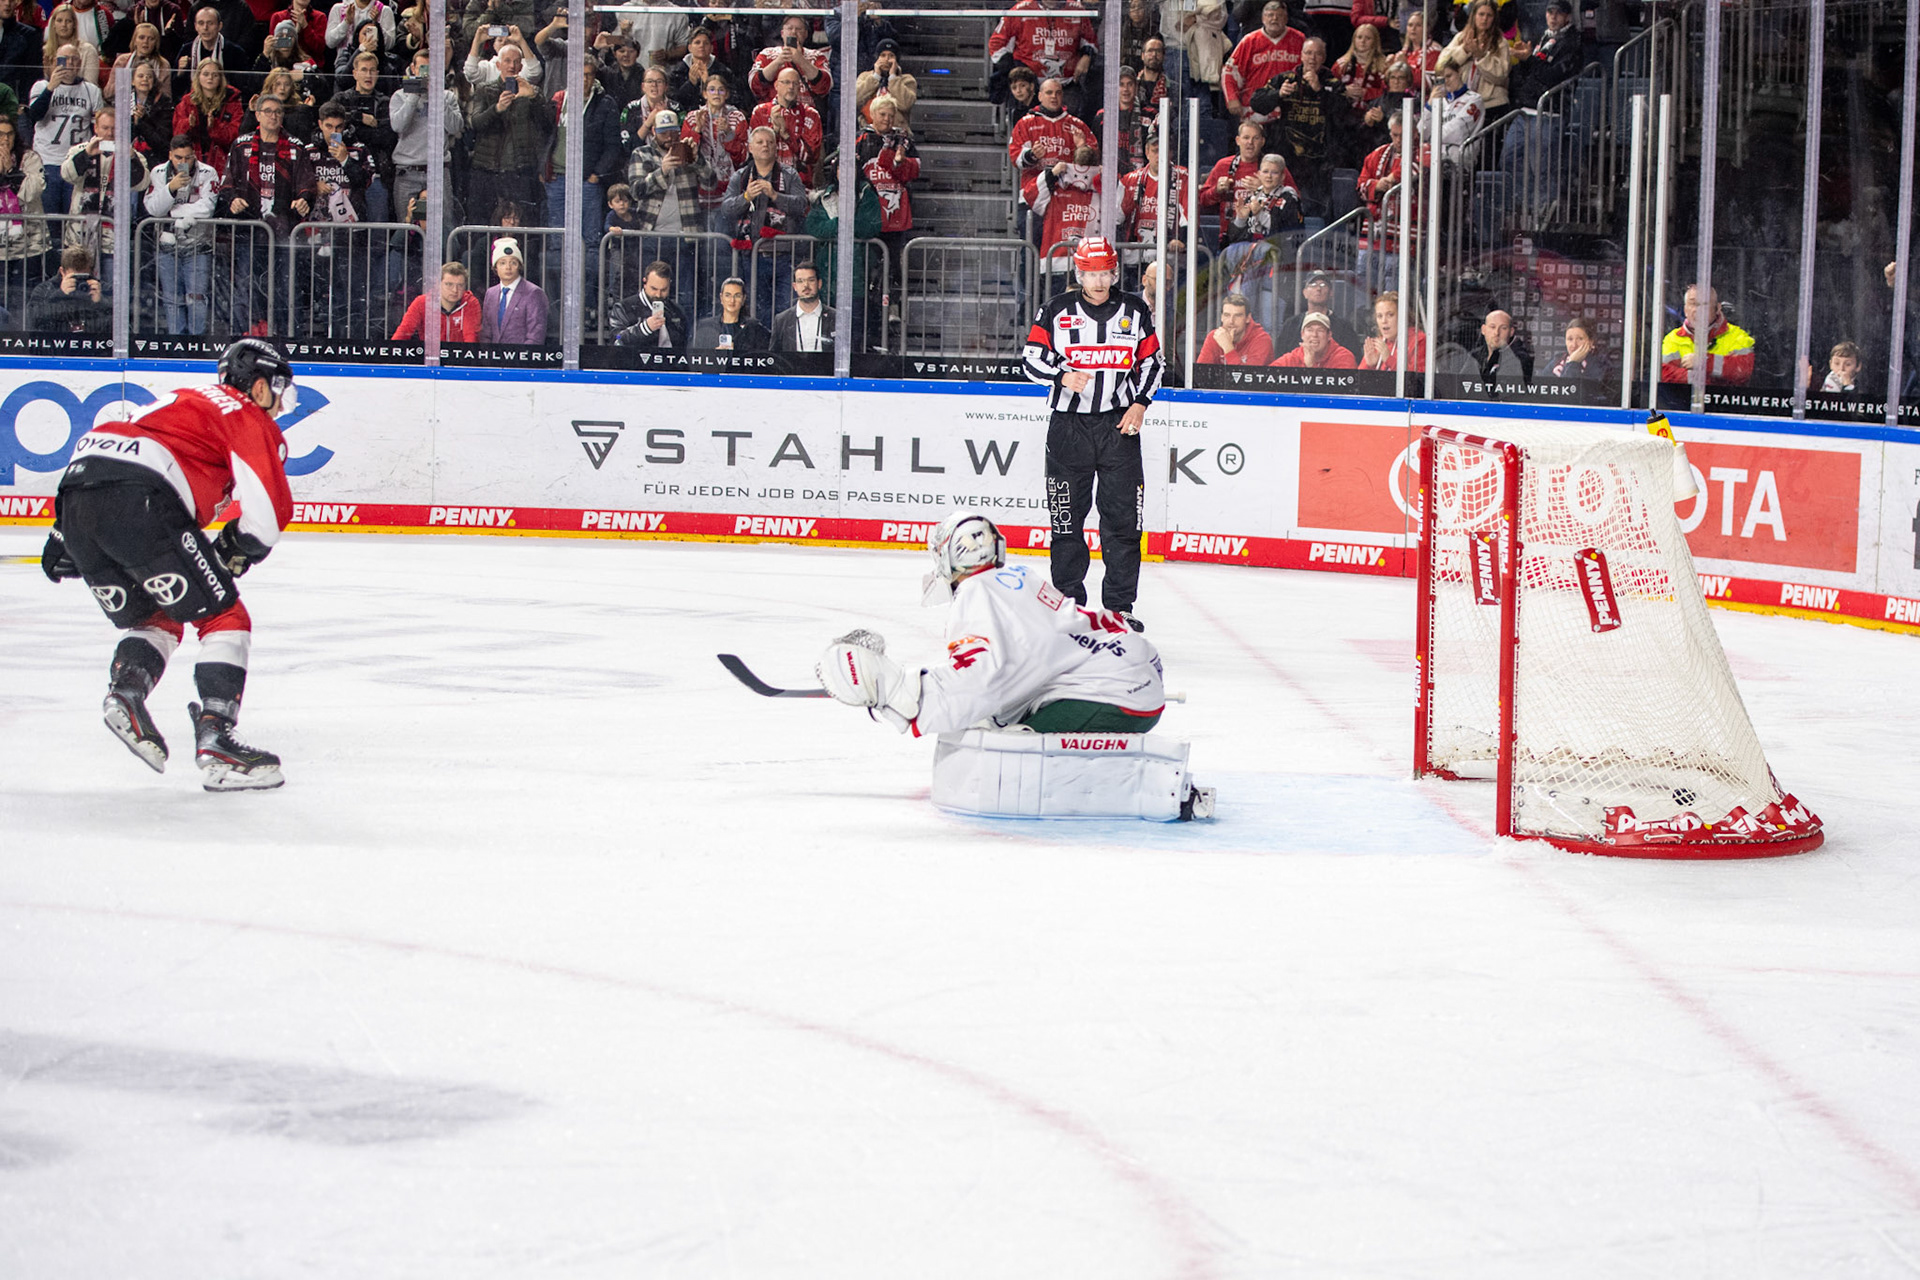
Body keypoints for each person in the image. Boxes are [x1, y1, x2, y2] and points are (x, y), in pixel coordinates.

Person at [39, 338, 296, 789]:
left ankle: (126, 693)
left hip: (77, 500)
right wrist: (236, 546)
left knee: (156, 617)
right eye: (277, 390)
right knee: (224, 617)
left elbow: (110, 454)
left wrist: (64, 533)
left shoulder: (181, 399)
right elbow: (269, 517)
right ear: (259, 387)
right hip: (141, 500)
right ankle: (217, 739)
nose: (278, 405)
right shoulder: (244, 413)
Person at [816, 510, 1167, 737]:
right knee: (995, 720)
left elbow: (983, 676)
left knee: (1000, 747)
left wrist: (903, 696)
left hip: (1109, 700)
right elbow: (1032, 656)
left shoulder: (975, 593)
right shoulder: (1019, 577)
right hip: (1139, 681)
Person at [1020, 237, 1161, 629]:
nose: (1099, 281)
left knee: (1124, 524)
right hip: (1068, 428)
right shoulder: (1055, 310)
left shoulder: (1134, 310)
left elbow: (1153, 362)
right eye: (1091, 273)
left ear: (1115, 273)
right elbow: (1030, 360)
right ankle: (1068, 607)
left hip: (1119, 428)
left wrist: (1140, 403)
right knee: (1066, 522)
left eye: (1105, 273)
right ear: (1078, 273)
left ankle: (1119, 609)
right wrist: (1061, 375)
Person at [466, 48, 552, 226]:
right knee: (483, 222)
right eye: (507, 61)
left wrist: (533, 97)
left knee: (522, 222)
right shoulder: (485, 90)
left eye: (516, 61)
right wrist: (496, 109)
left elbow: (547, 125)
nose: (512, 66)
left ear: (521, 66)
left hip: (520, 171)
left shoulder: (533, 91)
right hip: (487, 170)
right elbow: (476, 123)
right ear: (498, 65)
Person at [142, 133, 218, 334]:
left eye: (188, 157)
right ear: (170, 155)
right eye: (178, 157)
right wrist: (171, 188)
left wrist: (173, 213)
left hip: (198, 246)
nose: (183, 162)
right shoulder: (158, 172)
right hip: (167, 246)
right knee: (171, 298)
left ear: (194, 155)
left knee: (197, 299)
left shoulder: (208, 172)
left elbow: (207, 207)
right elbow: (153, 209)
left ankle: (196, 341)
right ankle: (176, 341)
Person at [1007, 74, 1093, 243]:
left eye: (1058, 93)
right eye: (1049, 93)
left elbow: (1093, 162)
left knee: (1063, 251)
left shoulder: (1077, 125)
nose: (1054, 96)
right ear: (1040, 96)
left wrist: (1082, 147)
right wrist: (1031, 155)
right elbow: (1015, 157)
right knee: (1030, 250)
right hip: (1032, 197)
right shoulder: (1026, 123)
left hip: (1067, 199)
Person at [1267, 35, 1344, 217]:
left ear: (1324, 58)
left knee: (1316, 212)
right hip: (1289, 158)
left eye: (1317, 54)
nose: (1312, 58)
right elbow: (1257, 102)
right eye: (1308, 53)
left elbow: (1342, 113)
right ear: (1301, 55)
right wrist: (1278, 94)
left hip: (1321, 162)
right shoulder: (1286, 79)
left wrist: (1319, 90)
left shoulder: (1333, 84)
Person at [23, 41, 102, 218]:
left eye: (74, 59)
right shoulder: (41, 86)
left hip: (76, 162)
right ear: (55, 62)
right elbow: (34, 115)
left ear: (80, 63)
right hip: (47, 159)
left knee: (73, 217)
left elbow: (97, 127)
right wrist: (51, 88)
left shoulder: (92, 90)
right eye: (64, 59)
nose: (70, 63)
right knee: (50, 217)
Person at [987, 0, 1095, 118]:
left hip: (1066, 85)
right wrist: (1018, 73)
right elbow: (996, 44)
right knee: (1028, 127)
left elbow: (1090, 40)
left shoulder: (1077, 10)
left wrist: (1087, 56)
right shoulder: (1020, 10)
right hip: (1031, 89)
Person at [1222, 0, 1304, 121]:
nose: (1274, 19)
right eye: (1270, 15)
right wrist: (1232, 98)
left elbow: (1311, 69)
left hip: (1291, 109)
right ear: (1263, 18)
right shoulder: (1249, 41)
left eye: (1279, 15)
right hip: (1254, 111)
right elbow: (1229, 72)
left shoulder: (1299, 39)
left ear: (1286, 19)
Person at [1435, 0, 1513, 122]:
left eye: (1489, 15)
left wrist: (1481, 56)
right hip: (1461, 104)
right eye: (1481, 14)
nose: (1484, 19)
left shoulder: (1501, 42)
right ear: (1474, 16)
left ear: (1494, 19)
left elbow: (1501, 75)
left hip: (1491, 105)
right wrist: (1464, 50)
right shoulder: (1461, 38)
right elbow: (1441, 66)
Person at [1661, 284, 1753, 386]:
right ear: (1685, 310)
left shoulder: (1738, 336)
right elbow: (1664, 374)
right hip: (1683, 397)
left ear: (1717, 308)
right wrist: (1707, 379)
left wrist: (1703, 362)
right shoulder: (1672, 338)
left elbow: (1743, 371)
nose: (1698, 310)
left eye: (1705, 304)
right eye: (1693, 304)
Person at [748, 64, 822, 181]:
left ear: (799, 88)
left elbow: (811, 157)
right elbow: (755, 152)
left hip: (800, 182)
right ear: (776, 85)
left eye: (795, 83)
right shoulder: (760, 112)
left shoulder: (811, 114)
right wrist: (773, 131)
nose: (791, 87)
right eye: (786, 82)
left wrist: (786, 134)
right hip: (766, 180)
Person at [1198, 116, 1265, 245]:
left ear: (1262, 141)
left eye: (1255, 138)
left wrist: (1265, 188)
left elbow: (1292, 199)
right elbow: (1202, 200)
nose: (1250, 142)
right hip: (1229, 238)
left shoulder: (1272, 167)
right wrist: (1216, 190)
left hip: (1263, 238)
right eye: (1246, 138)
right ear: (1238, 140)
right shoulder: (1223, 165)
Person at [171, 55, 241, 175]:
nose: (210, 78)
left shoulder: (232, 101)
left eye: (215, 75)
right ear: (198, 76)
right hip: (189, 160)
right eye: (206, 74)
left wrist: (215, 127)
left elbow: (235, 136)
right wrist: (188, 124)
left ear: (221, 78)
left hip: (222, 161)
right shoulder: (187, 101)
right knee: (184, 184)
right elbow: (177, 136)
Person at [1118, 129, 1187, 249]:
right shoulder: (1129, 180)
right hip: (1135, 251)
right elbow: (1116, 219)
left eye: (1164, 150)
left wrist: (1181, 240)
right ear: (1147, 152)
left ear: (1171, 153)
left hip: (1169, 251)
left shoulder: (1183, 176)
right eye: (1155, 151)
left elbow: (1189, 217)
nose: (1159, 156)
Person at [1507, 0, 1580, 108]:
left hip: (1552, 105)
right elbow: (1533, 69)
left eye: (1559, 13)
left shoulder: (1571, 42)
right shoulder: (1545, 37)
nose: (1553, 17)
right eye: (1550, 12)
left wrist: (1529, 58)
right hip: (1531, 101)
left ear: (1567, 17)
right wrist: (1523, 60)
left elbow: (1552, 76)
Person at [747, 12, 829, 108]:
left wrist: (801, 60)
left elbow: (825, 87)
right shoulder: (767, 54)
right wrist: (778, 61)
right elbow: (755, 86)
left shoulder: (817, 56)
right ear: (782, 33)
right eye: (790, 28)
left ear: (806, 34)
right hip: (773, 112)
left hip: (806, 113)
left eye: (799, 29)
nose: (794, 32)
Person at [607, 257, 689, 348]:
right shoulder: (623, 308)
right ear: (645, 283)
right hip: (636, 357)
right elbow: (616, 338)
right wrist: (644, 328)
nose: (658, 294)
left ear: (669, 284)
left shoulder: (676, 311)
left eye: (663, 290)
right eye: (654, 288)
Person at [479, 234, 547, 344]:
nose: (508, 268)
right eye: (502, 263)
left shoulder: (533, 293)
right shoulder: (491, 293)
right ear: (495, 267)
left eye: (513, 263)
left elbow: (535, 336)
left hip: (521, 354)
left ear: (520, 266)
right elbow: (486, 333)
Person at [27, 241, 110, 330]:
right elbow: (33, 320)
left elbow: (117, 325)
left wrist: (101, 302)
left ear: (92, 272)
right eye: (74, 277)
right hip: (57, 337)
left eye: (84, 277)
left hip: (93, 336)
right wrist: (60, 295)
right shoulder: (45, 290)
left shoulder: (103, 289)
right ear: (62, 272)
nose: (79, 281)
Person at [392, 259, 480, 340]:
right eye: (449, 284)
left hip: (459, 351)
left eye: (460, 285)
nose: (455, 290)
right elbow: (403, 332)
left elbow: (471, 337)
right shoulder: (422, 302)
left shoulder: (470, 303)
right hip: (430, 352)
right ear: (438, 284)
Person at [692, 274, 768, 350]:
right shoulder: (706, 326)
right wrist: (716, 354)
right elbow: (697, 354)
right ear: (721, 298)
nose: (732, 300)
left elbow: (761, 354)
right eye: (727, 295)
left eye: (737, 296)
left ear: (743, 299)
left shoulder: (753, 328)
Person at [771, 258, 832, 352]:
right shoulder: (781, 320)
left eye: (811, 280)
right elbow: (774, 356)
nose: (806, 285)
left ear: (819, 284)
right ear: (795, 286)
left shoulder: (836, 318)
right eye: (800, 281)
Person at [854, 35, 915, 128]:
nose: (886, 59)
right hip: (868, 130)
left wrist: (893, 78)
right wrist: (875, 77)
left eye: (891, 56)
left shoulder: (907, 80)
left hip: (897, 131)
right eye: (883, 55)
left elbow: (905, 105)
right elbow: (855, 100)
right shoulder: (864, 77)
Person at [1197, 291, 1272, 365]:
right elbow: (1201, 371)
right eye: (1227, 315)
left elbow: (1249, 372)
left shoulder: (1262, 339)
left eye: (1237, 316)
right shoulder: (1215, 337)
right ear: (1221, 317)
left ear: (1248, 318)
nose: (1231, 321)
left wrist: (1228, 347)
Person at [1357, 289, 1425, 371]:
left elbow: (1418, 376)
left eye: (1390, 315)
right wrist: (1370, 366)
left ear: (1402, 316)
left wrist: (1389, 359)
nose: (1384, 321)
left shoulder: (1419, 340)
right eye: (1379, 316)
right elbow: (1358, 377)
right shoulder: (1378, 344)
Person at [1468, 307, 1530, 385]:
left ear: (1511, 332)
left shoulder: (1519, 358)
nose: (1496, 333)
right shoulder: (1474, 355)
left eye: (1503, 328)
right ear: (1483, 330)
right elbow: (1461, 382)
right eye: (1492, 327)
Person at [1272, 309, 1354, 366]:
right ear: (1302, 335)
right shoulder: (1292, 358)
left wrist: (1310, 367)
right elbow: (1269, 379)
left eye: (1320, 330)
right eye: (1310, 330)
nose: (1314, 334)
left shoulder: (1343, 357)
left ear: (1329, 335)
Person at [1551, 314, 1603, 379]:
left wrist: (1573, 363)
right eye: (1570, 339)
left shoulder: (1600, 364)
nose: (1574, 345)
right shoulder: (1557, 360)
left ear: (1591, 342)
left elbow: (1572, 384)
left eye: (1580, 339)